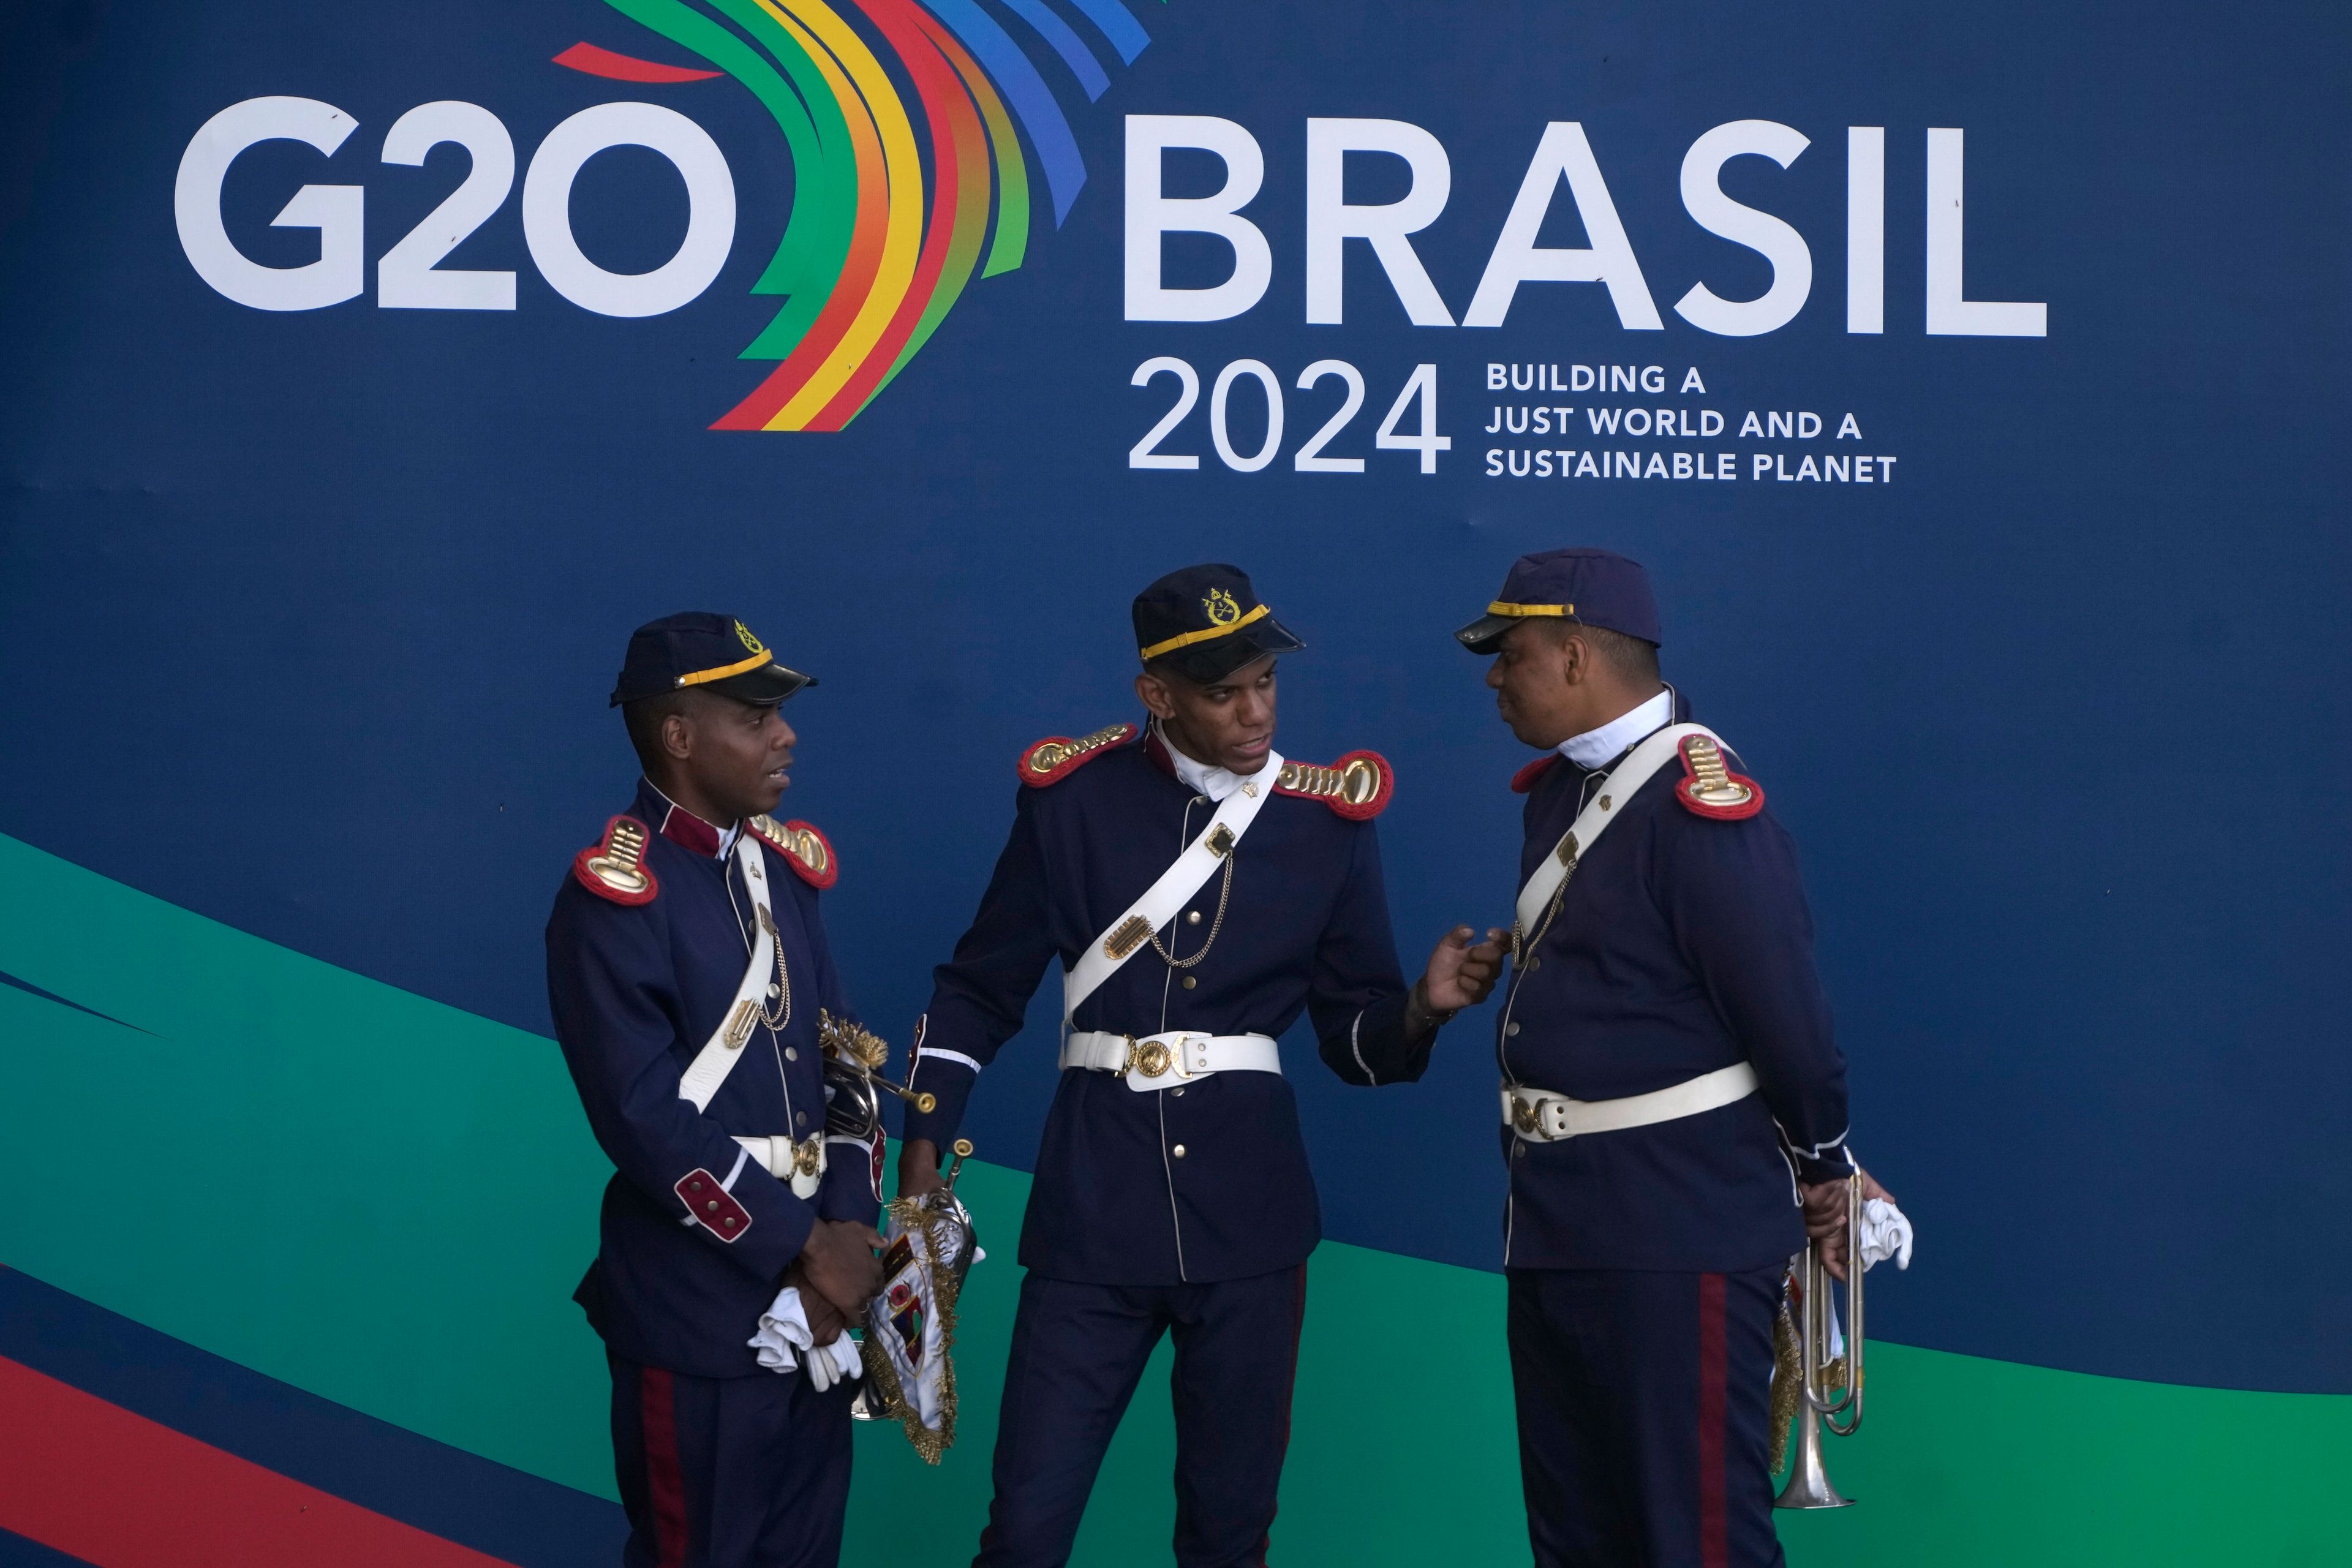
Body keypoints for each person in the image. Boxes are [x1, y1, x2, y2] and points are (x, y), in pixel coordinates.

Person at [894, 564, 1505, 1568]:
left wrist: (1420, 1011)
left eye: (1265, 683)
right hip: (1092, 1212)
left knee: (1230, 1533)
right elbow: (978, 989)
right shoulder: (1070, 803)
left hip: (1251, 1220)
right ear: (1156, 696)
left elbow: (1352, 1042)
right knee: (1027, 1524)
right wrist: (925, 1132)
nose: (1255, 711)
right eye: (1224, 693)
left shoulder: (1325, 825)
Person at [1455, 549, 1895, 1568]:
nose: (1492, 677)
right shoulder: (1558, 796)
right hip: (1560, 1226)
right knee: (1580, 1540)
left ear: (1573, 656)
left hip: (1675, 1224)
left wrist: (1826, 1164)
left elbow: (1786, 1016)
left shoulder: (1703, 802)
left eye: (1509, 655)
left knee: (1692, 1539)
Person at [546, 612, 886, 1568]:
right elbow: (644, 1120)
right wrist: (803, 1248)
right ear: (679, 737)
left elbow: (846, 1061)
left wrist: (852, 1232)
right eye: (755, 717)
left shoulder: (784, 875)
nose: (786, 735)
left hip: (823, 1300)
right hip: (702, 1307)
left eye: (779, 714)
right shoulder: (614, 899)